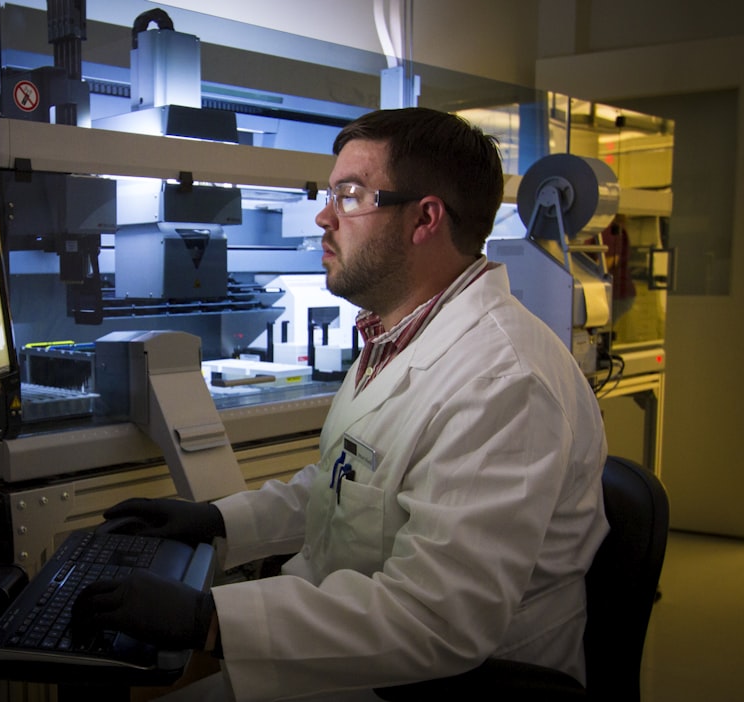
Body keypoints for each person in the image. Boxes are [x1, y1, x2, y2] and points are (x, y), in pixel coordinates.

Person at [72, 106, 609, 701]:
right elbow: (346, 486)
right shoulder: (397, 335)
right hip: (356, 654)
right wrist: (219, 519)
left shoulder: (505, 382)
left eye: (350, 196)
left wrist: (211, 619)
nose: (324, 217)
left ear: (424, 218)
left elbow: (439, 620)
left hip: (441, 685)